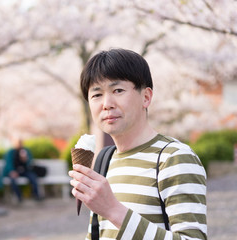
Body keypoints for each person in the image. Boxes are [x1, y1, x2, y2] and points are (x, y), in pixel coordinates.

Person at [69, 49, 207, 239]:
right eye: (96, 94)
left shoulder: (174, 158)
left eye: (118, 90)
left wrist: (113, 210)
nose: (107, 104)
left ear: (146, 97)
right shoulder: (104, 160)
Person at [2, 138, 41, 203]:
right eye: (18, 143)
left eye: (21, 143)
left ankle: (36, 195)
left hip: (24, 171)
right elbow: (8, 163)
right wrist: (12, 171)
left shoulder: (26, 151)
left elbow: (30, 163)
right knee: (13, 180)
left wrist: (25, 160)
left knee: (33, 177)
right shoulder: (11, 152)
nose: (19, 145)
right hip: (14, 171)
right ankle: (19, 197)